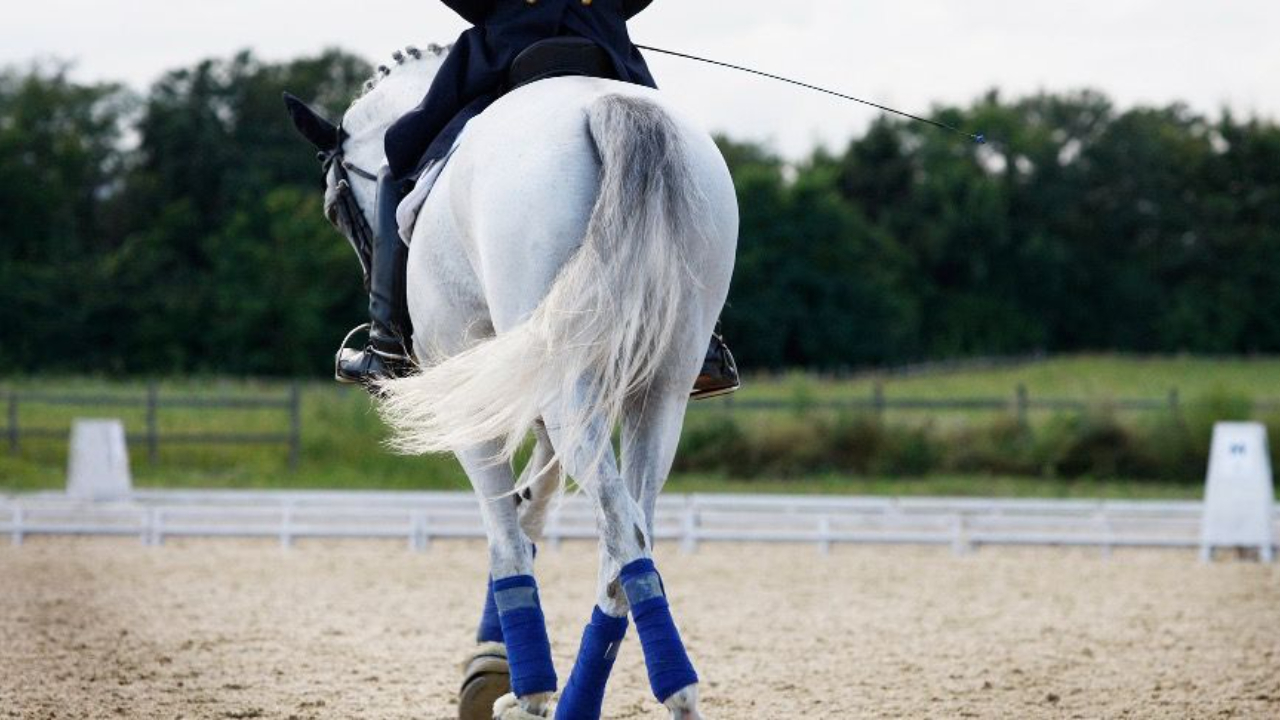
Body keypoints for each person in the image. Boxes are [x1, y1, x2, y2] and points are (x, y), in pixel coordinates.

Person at [335, 0, 740, 399]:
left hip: (506, 59)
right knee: (671, 164)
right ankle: (702, 344)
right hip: (606, 52)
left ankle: (386, 345)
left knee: (396, 164)